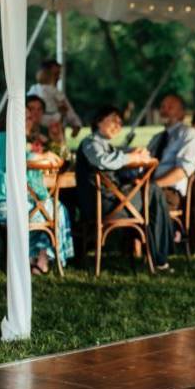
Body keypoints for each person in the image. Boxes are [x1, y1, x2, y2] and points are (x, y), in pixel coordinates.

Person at [0, 107, 74, 275]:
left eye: (30, 117)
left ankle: (31, 258)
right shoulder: (12, 139)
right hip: (0, 207)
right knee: (55, 208)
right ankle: (42, 260)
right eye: (25, 117)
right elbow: (29, 169)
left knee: (42, 208)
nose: (30, 120)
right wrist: (44, 157)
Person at [75, 106, 173, 270]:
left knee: (151, 193)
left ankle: (159, 253)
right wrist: (131, 157)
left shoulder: (105, 146)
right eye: (113, 119)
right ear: (99, 121)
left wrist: (133, 157)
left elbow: (115, 160)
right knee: (153, 191)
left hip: (109, 202)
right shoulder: (90, 143)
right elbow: (102, 161)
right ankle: (161, 256)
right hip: (104, 205)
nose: (118, 125)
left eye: (120, 122)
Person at [147, 95, 195, 210]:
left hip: (169, 193)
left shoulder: (189, 135)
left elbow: (182, 171)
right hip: (148, 189)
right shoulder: (156, 138)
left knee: (124, 206)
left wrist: (152, 186)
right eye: (162, 107)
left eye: (170, 107)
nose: (164, 111)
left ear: (182, 113)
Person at [27, 59, 83, 137]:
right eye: (55, 74)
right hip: (38, 131)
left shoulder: (50, 90)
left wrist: (75, 124)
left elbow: (68, 110)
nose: (58, 77)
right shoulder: (35, 91)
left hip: (56, 131)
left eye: (58, 74)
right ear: (45, 74)